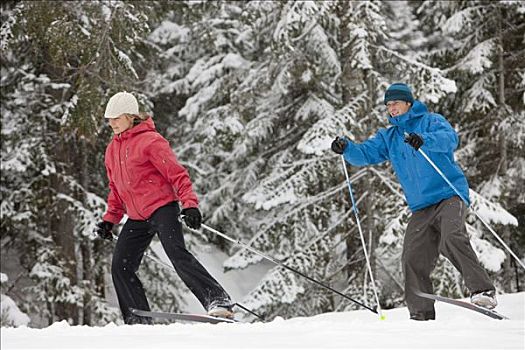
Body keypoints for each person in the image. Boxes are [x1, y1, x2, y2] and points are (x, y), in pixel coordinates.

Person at [331, 83, 497, 321]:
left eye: (395, 103)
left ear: (408, 102)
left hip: (448, 194)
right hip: (421, 206)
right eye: (388, 105)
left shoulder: (431, 121)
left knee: (451, 237)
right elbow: (364, 153)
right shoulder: (389, 137)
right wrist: (346, 148)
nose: (392, 109)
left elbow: (450, 139)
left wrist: (424, 139)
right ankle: (420, 314)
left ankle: (483, 291)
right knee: (412, 256)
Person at [95, 91, 234, 324]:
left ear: (130, 116)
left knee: (176, 253)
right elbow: (116, 190)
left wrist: (189, 204)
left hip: (162, 208)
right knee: (121, 265)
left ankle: (218, 300)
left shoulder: (151, 141)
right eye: (109, 119)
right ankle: (137, 318)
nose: (111, 123)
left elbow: (177, 175)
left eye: (116, 118)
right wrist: (110, 219)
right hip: (137, 217)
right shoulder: (112, 150)